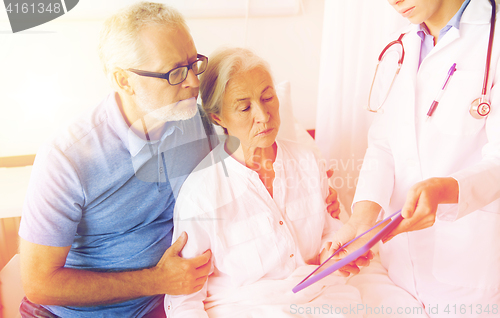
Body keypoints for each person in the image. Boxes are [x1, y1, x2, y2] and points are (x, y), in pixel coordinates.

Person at [18, 3, 341, 317]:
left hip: (169, 302)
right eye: (174, 72)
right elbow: (39, 284)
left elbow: (259, 139)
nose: (193, 82)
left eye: (193, 63)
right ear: (124, 80)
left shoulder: (197, 116)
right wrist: (156, 280)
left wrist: (315, 200)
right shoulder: (68, 158)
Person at [166, 47, 370, 318]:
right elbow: (184, 299)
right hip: (246, 309)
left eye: (268, 97)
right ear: (218, 117)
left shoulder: (307, 160)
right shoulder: (200, 194)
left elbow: (328, 234)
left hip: (323, 297)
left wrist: (336, 253)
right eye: (244, 107)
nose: (263, 115)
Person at [333, 0, 500, 317]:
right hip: (399, 275)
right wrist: (361, 221)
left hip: (473, 274)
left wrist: (446, 190)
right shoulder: (398, 48)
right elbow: (383, 146)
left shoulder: (495, 38)